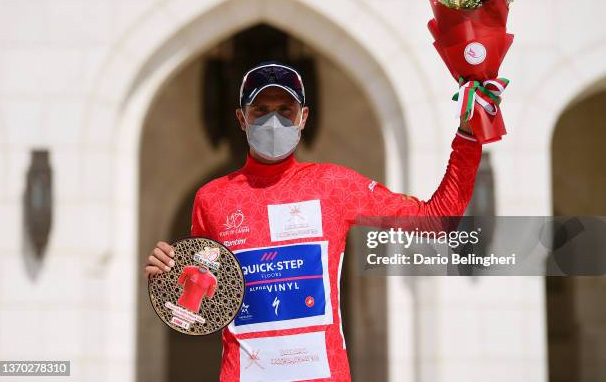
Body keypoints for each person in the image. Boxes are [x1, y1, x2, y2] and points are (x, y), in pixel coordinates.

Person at [144, 60, 482, 381]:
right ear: (241, 118)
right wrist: (167, 277)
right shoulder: (212, 198)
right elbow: (203, 304)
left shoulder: (333, 185)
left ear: (303, 117)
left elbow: (437, 221)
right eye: (260, 111)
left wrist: (469, 135)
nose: (272, 121)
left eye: (285, 110)